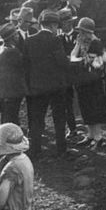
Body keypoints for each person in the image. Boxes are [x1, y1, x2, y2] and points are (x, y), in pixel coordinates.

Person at [24, 10, 69, 160]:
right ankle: (61, 149)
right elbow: (62, 62)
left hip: (37, 87)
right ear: (53, 25)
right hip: (56, 86)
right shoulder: (55, 40)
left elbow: (26, 65)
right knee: (59, 118)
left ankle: (35, 150)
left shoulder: (29, 40)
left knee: (37, 119)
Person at [69, 17, 106, 147]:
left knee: (94, 108)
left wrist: (87, 59)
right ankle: (90, 135)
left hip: (94, 81)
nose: (80, 34)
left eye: (83, 31)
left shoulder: (96, 43)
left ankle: (98, 137)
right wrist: (78, 47)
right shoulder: (81, 42)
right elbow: (73, 55)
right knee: (85, 107)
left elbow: (103, 59)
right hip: (83, 81)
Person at [0, 23, 25, 126]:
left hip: (1, 91)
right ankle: (9, 139)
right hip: (12, 92)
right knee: (11, 118)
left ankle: (5, 138)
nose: (18, 36)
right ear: (12, 37)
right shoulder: (13, 52)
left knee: (5, 116)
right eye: (16, 35)